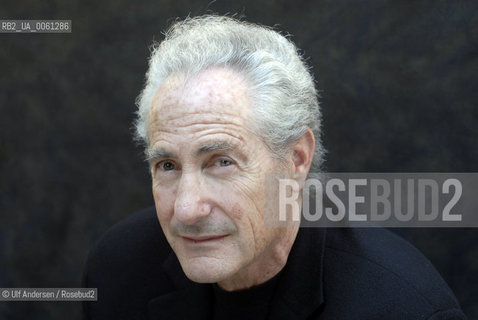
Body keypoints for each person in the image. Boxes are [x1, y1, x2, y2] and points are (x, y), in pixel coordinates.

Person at [82, 15, 466, 319]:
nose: (186, 209)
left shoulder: (404, 307)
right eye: (167, 164)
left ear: (297, 158)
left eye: (222, 162)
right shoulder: (119, 270)